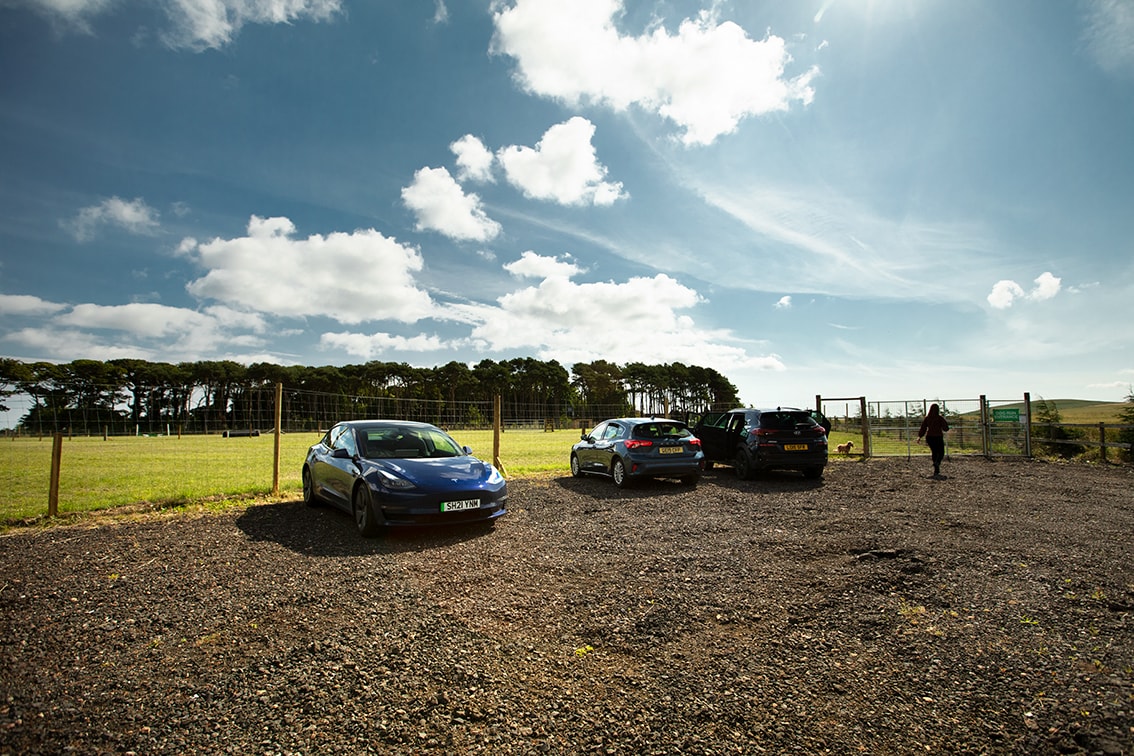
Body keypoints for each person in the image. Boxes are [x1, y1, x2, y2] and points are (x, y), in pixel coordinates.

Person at [917, 403, 950, 478]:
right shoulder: (940, 418)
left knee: (934, 452)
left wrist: (919, 436)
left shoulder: (927, 418)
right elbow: (946, 428)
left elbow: (923, 428)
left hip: (930, 437)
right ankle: (937, 463)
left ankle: (936, 469)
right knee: (941, 452)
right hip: (938, 437)